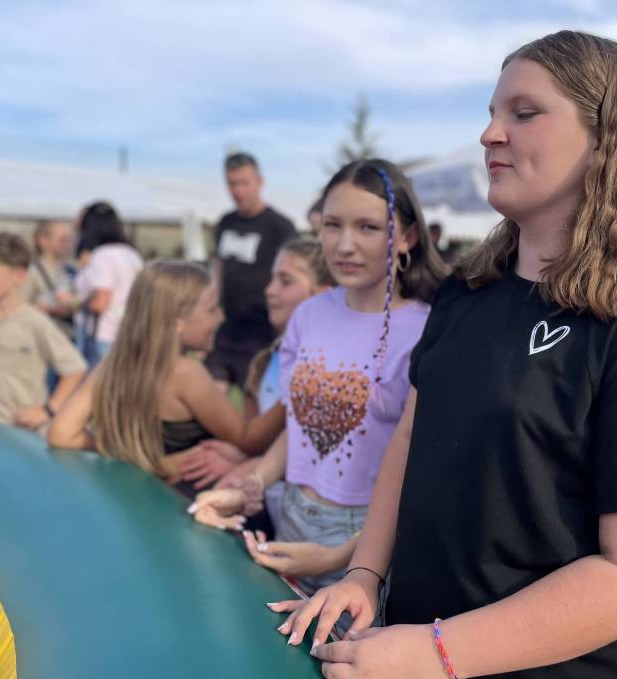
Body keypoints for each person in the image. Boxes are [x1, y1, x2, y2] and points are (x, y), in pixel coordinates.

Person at [272, 32, 617, 679]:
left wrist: (437, 653)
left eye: (524, 113)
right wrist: (365, 574)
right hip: (408, 675)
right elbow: (411, 439)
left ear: (606, 139)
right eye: (493, 113)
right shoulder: (467, 292)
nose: (490, 134)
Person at [190, 159, 447, 596]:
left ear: (407, 237)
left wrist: (342, 556)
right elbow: (302, 425)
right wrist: (250, 486)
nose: (344, 245)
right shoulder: (308, 315)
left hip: (368, 548)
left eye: (367, 227)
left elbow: (424, 477)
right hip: (289, 517)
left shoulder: (429, 329)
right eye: (332, 225)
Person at [47, 261, 286, 502]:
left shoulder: (111, 367)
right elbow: (247, 439)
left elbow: (61, 433)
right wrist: (291, 397)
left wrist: (127, 454)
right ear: (177, 323)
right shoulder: (185, 373)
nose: (221, 317)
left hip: (130, 500)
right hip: (184, 502)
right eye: (212, 310)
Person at [177, 239, 336, 533]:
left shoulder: (334, 366)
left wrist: (246, 466)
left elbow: (325, 454)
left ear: (322, 293)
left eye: (285, 281)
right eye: (271, 279)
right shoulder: (265, 360)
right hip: (259, 489)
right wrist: (235, 455)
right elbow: (251, 436)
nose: (269, 290)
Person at [0, 233, 86, 432]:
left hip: (25, 433)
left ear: (19, 276)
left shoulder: (35, 322)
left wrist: (48, 410)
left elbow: (75, 369)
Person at [205, 152, 298, 386]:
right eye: (232, 184)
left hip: (264, 331)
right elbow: (218, 267)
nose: (238, 191)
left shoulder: (280, 226)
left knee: (257, 397)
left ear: (260, 182)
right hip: (228, 327)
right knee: (211, 388)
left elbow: (295, 276)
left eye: (244, 183)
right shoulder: (225, 222)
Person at [76, 202, 143, 367]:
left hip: (104, 334)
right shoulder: (132, 254)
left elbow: (101, 302)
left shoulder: (103, 256)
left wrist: (75, 303)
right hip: (127, 332)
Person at [21, 220, 78, 336]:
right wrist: (52, 309)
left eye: (69, 240)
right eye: (62, 240)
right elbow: (19, 306)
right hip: (40, 336)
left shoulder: (71, 270)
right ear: (43, 241)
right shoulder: (31, 271)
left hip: (67, 335)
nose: (67, 244)